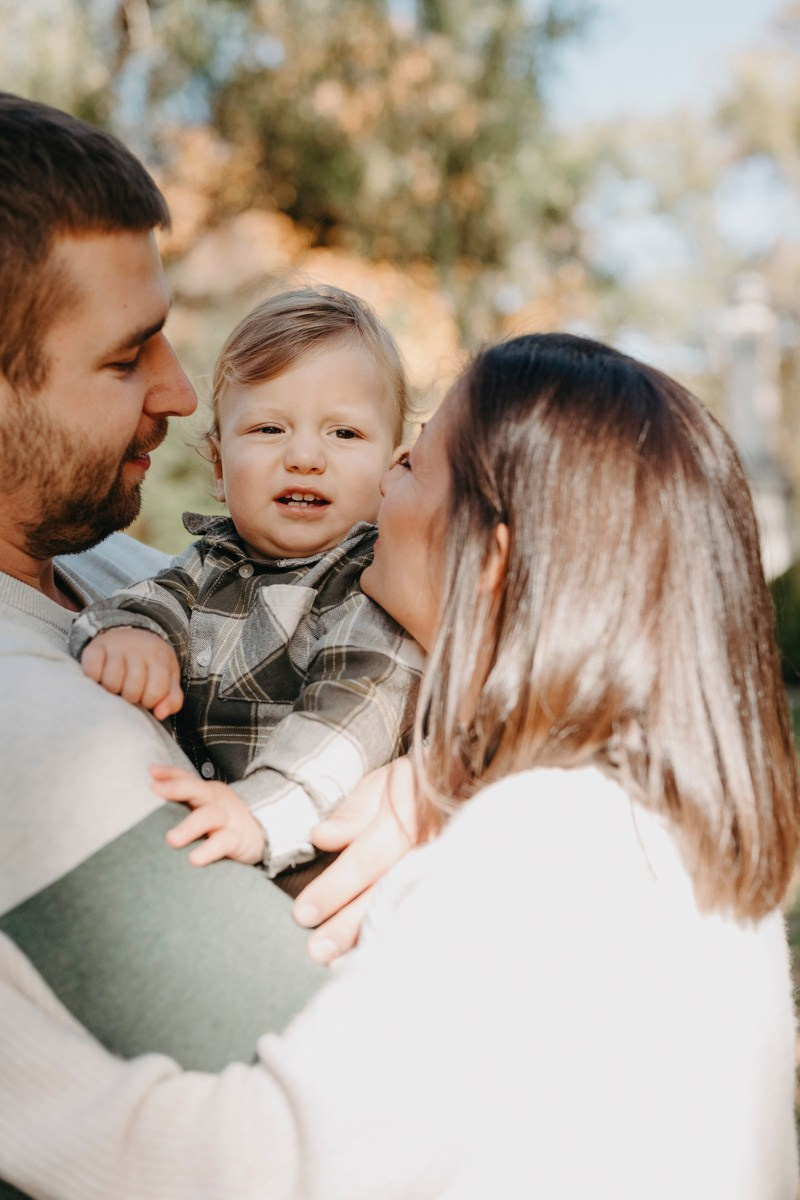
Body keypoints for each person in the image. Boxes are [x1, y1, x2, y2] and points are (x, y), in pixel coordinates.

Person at [1, 331, 797, 1199]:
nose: (380, 481)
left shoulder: (556, 841)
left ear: (488, 560)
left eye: (413, 464)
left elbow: (257, 1168)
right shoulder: (659, 830)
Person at [0, 90, 326, 1108]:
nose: (184, 393)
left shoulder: (114, 575)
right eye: (124, 355)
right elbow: (334, 1085)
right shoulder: (31, 732)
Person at [69, 287, 422, 877]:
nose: (306, 456)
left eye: (344, 434)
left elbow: (357, 708)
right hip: (215, 844)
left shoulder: (372, 582)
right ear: (218, 468)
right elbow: (155, 600)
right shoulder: (210, 563)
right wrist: (132, 633)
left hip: (309, 843)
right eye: (268, 429)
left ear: (392, 470)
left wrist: (260, 811)